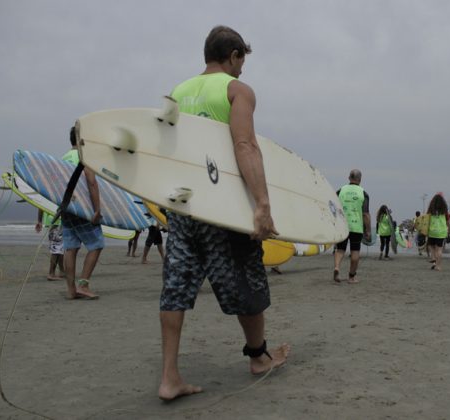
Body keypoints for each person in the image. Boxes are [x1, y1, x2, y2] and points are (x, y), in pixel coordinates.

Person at [158, 26, 290, 401]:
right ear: (233, 55)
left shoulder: (178, 92)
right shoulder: (236, 91)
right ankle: (259, 358)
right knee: (246, 279)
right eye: (241, 61)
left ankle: (169, 377)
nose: (242, 70)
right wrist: (262, 204)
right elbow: (244, 144)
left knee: (176, 288)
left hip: (183, 208)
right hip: (222, 208)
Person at [61, 126, 104, 300]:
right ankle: (83, 285)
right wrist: (97, 209)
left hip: (67, 208)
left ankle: (71, 290)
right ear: (81, 140)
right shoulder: (85, 157)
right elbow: (91, 182)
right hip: (83, 209)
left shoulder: (63, 158)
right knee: (96, 244)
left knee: (70, 248)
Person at [333, 169, 371, 283]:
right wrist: (368, 230)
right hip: (356, 227)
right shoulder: (363, 193)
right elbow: (365, 214)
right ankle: (351, 277)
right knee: (355, 252)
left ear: (349, 178)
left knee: (340, 249)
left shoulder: (341, 190)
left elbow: (332, 206)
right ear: (360, 179)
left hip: (342, 226)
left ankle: (337, 268)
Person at [35, 209, 65, 280]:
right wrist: (39, 221)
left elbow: (41, 204)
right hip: (57, 220)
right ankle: (51, 273)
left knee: (60, 248)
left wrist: (39, 221)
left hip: (55, 220)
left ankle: (62, 271)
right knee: (56, 248)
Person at [426, 194, 449, 271]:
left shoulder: (430, 211)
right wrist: (448, 230)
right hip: (441, 232)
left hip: (432, 231)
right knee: (439, 249)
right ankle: (438, 266)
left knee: (430, 246)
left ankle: (433, 257)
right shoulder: (444, 211)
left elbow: (426, 220)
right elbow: (447, 221)